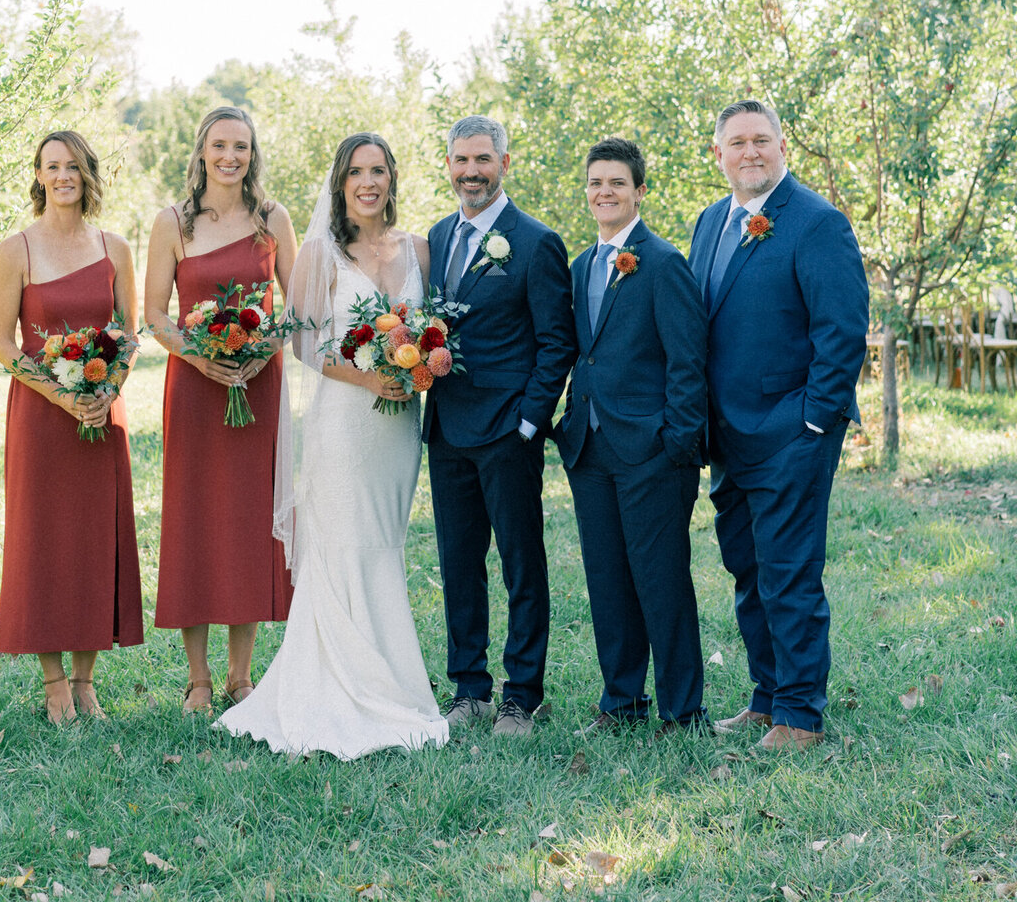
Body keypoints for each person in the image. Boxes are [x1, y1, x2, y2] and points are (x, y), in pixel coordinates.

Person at [222, 132, 448, 760]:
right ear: (341, 184)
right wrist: (372, 375)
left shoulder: (419, 251)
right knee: (345, 544)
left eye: (378, 171)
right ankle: (349, 684)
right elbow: (304, 344)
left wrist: (418, 364)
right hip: (344, 424)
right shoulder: (322, 253)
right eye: (356, 173)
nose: (368, 183)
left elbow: (433, 327)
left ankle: (390, 673)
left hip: (397, 429)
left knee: (382, 544)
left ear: (391, 179)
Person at [689, 99, 868, 751]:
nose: (750, 152)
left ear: (782, 145)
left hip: (793, 431)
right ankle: (766, 697)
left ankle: (800, 714)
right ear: (719, 154)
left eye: (761, 140)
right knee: (747, 568)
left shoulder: (816, 222)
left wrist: (814, 423)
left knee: (789, 570)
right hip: (727, 436)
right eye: (737, 142)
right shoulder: (709, 223)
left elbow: (842, 330)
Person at [424, 115, 575, 738]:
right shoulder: (436, 237)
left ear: (504, 164)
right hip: (448, 428)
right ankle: (469, 687)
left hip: (507, 431)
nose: (471, 172)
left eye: (482, 160)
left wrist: (528, 423)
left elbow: (555, 342)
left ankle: (523, 692)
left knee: (520, 561)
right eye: (461, 160)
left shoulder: (535, 242)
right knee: (458, 562)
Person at [144, 106, 297, 713]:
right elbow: (155, 313)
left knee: (249, 521)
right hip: (196, 388)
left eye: (241, 146)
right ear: (201, 152)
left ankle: (240, 676)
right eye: (219, 145)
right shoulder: (173, 223)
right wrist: (199, 356)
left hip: (259, 384)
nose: (230, 156)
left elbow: (298, 298)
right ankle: (198, 678)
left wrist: (265, 349)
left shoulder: (271, 218)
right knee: (197, 520)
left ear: (252, 153)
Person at [557, 137, 709, 734]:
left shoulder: (664, 263)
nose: (604, 192)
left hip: (652, 451)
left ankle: (683, 710)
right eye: (595, 182)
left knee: (661, 580)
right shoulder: (580, 266)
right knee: (608, 581)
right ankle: (621, 703)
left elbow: (687, 363)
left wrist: (676, 444)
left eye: (616, 182)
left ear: (639, 192)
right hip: (591, 450)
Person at [0, 129, 143, 723]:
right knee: (44, 541)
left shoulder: (115, 247)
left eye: (73, 167)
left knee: (92, 541)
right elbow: (5, 343)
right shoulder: (17, 250)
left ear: (88, 175)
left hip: (103, 415)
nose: (63, 177)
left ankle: (85, 682)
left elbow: (129, 334)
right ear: (38, 175)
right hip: (41, 415)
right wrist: (62, 395)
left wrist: (107, 392)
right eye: (52, 167)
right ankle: (53, 682)